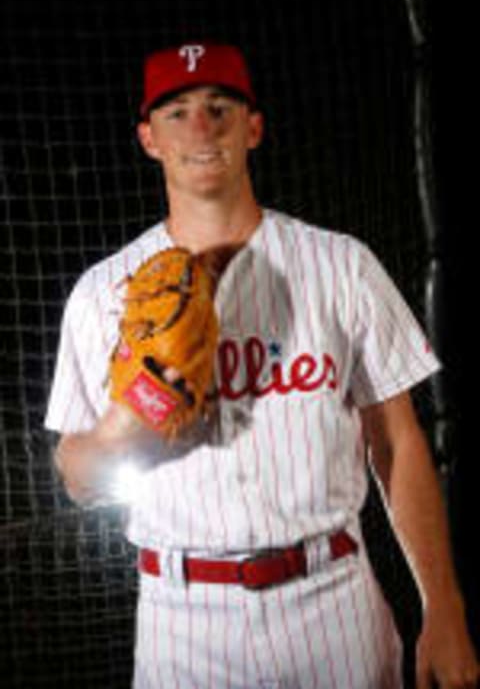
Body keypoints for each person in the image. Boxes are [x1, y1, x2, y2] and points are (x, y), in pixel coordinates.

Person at [45, 41, 479, 688]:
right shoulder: (103, 292)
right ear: (148, 139)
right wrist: (119, 430)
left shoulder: (342, 264)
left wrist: (444, 607)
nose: (200, 127)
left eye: (220, 108)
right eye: (177, 111)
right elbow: (77, 479)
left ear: (254, 128)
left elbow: (398, 441)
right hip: (180, 619)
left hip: (331, 604)